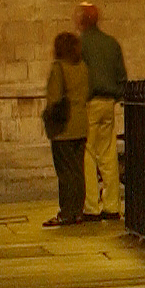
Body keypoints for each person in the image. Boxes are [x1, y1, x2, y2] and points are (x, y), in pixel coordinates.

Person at [77, 4, 126, 220]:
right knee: (108, 153)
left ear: (82, 21)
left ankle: (91, 205)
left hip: (89, 103)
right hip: (109, 103)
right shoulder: (112, 44)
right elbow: (121, 76)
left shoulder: (81, 45)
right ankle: (112, 204)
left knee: (88, 153)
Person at [42, 30, 91, 228]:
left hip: (64, 128)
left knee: (65, 172)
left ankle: (66, 212)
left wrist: (47, 113)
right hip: (81, 125)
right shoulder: (82, 67)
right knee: (78, 171)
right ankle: (77, 211)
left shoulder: (58, 68)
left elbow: (54, 97)